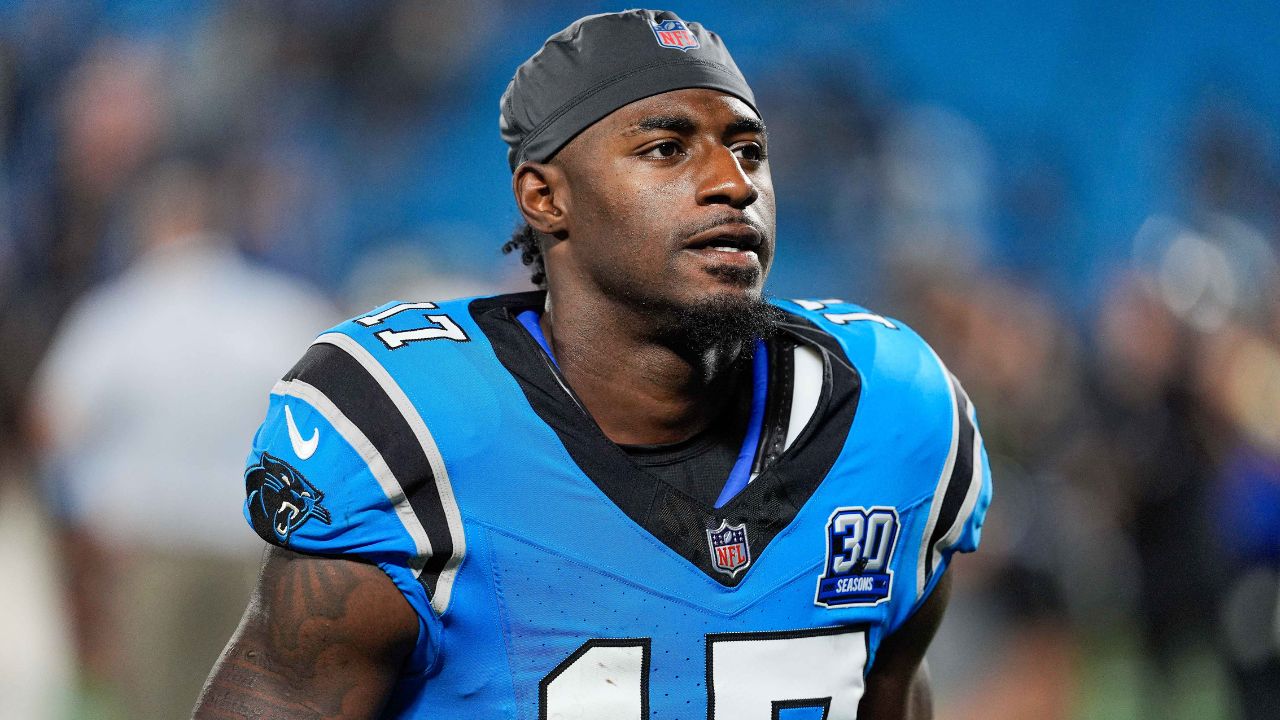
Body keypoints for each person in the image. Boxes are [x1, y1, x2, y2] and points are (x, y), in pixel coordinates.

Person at [194, 10, 991, 719]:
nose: (733, 184)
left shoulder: (894, 412)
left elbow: (891, 690)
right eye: (667, 148)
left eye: (749, 149)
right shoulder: (420, 432)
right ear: (545, 198)